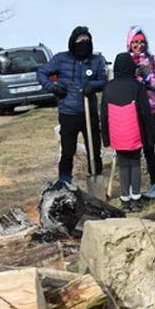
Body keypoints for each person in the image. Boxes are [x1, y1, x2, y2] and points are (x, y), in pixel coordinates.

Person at [37, 26, 108, 188]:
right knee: (68, 151)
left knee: (94, 149)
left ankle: (96, 181)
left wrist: (93, 85)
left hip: (89, 112)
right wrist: (52, 87)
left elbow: (104, 81)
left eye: (86, 40)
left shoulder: (97, 61)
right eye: (80, 40)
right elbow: (41, 73)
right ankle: (65, 182)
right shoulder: (61, 59)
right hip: (68, 112)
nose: (84, 43)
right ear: (72, 42)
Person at [100, 53, 154, 212]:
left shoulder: (108, 87)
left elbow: (103, 114)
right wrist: (149, 135)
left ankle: (125, 201)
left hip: (117, 134)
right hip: (134, 132)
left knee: (123, 165)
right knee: (135, 164)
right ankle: (136, 200)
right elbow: (145, 113)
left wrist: (106, 138)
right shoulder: (137, 86)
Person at [126, 26, 155, 199]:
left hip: (150, 110)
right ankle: (131, 186)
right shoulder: (125, 60)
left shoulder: (153, 60)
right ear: (129, 43)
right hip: (130, 109)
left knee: (149, 148)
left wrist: (147, 79)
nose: (139, 45)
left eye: (142, 42)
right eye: (135, 42)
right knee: (131, 148)